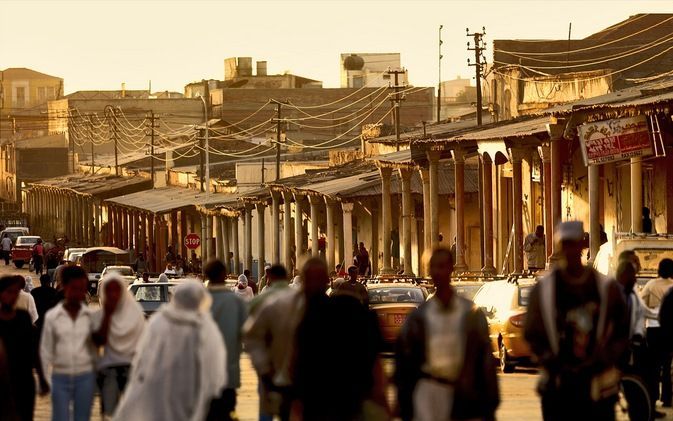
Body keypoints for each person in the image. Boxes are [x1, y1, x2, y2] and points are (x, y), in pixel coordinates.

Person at [524, 221, 629, 421]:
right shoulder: (543, 290)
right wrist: (551, 360)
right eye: (565, 244)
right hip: (558, 385)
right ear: (558, 247)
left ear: (582, 244)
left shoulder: (606, 288)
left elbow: (622, 331)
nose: (570, 250)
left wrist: (603, 359)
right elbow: (533, 334)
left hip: (598, 386)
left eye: (574, 243)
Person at [396, 248, 499, 421]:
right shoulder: (420, 317)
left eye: (442, 266)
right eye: (433, 267)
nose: (438, 272)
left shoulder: (470, 314)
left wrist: (488, 404)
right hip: (428, 396)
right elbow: (405, 364)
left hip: (463, 394)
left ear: (451, 268)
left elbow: (485, 360)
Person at [113, 282, 226, 421]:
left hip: (160, 387)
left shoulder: (159, 321)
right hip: (192, 389)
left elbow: (143, 358)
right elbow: (216, 365)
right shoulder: (205, 326)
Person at [292, 258, 388, 420]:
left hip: (341, 400)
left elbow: (374, 362)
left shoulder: (306, 316)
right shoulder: (302, 316)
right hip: (327, 400)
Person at [244, 259, 327, 421]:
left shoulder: (334, 310)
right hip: (288, 383)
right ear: (303, 279)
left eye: (320, 279)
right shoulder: (281, 305)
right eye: (312, 278)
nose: (316, 284)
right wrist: (265, 368)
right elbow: (252, 336)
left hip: (323, 388)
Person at [41, 265, 98, 421]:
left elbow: (94, 350)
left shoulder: (90, 317)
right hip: (60, 377)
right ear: (64, 287)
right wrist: (45, 380)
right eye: (74, 288)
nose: (78, 293)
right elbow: (45, 350)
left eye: (82, 289)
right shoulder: (53, 317)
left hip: (85, 378)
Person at [91, 273, 145, 418]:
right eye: (109, 291)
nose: (113, 295)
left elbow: (143, 344)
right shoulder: (99, 316)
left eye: (117, 290)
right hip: (109, 369)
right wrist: (107, 315)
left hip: (133, 369)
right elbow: (99, 341)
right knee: (109, 412)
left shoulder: (136, 313)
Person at [0, 276, 49, 421]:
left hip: (24, 379)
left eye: (15, 293)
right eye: (9, 292)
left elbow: (34, 349)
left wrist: (41, 377)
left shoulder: (23, 318)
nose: (13, 296)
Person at [205, 260, 247, 421]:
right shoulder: (235, 302)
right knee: (224, 413)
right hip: (228, 375)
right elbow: (247, 333)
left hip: (202, 376)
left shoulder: (197, 300)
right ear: (223, 274)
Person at [640, 258, 673, 407]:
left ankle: (652, 398)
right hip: (669, 330)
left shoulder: (650, 285)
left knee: (653, 365)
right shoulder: (672, 286)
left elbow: (642, 307)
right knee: (667, 365)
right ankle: (667, 398)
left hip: (653, 329)